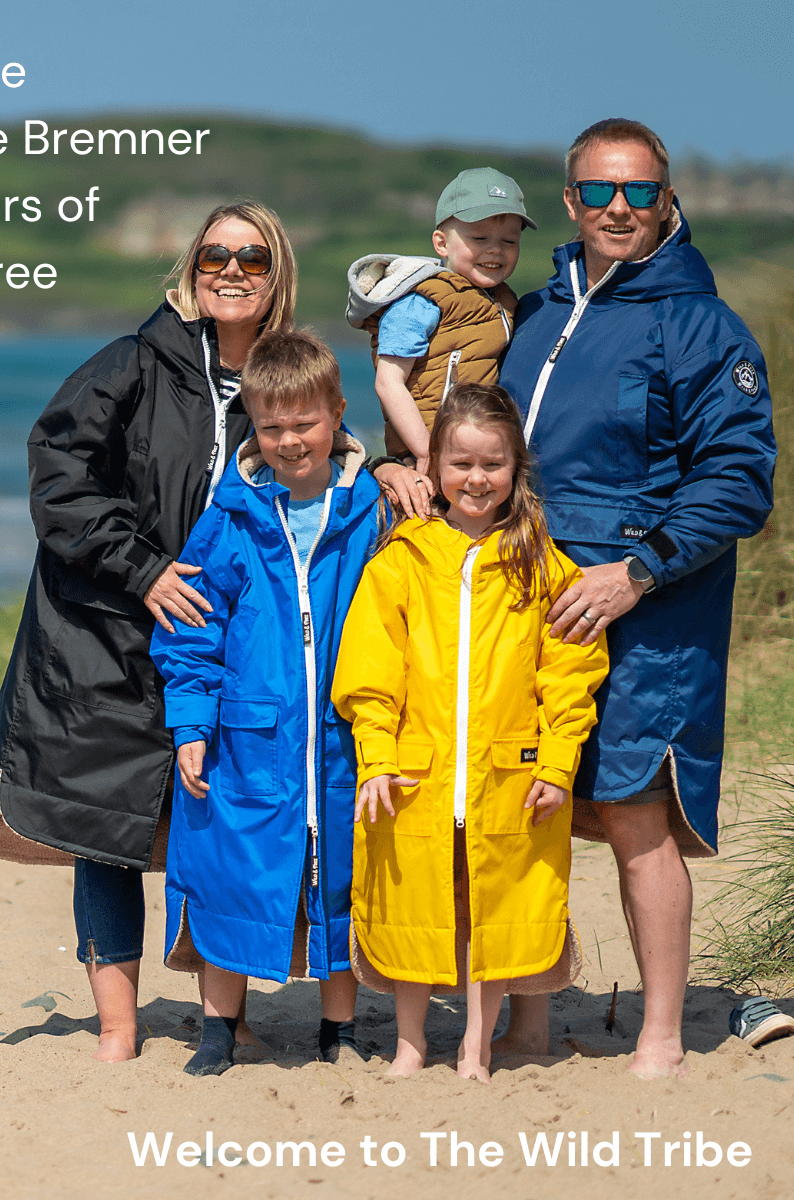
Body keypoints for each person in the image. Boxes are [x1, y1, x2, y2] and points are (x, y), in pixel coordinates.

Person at [0, 202, 299, 1062]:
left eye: (251, 257)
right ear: (189, 269)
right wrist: (144, 572)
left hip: (227, 640)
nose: (231, 269)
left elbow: (322, 470)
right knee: (101, 828)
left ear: (276, 275)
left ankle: (228, 1014)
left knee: (222, 822)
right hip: (102, 629)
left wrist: (392, 471)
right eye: (215, 253)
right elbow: (59, 478)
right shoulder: (130, 366)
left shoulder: (288, 381)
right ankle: (117, 1027)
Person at [495, 118, 776, 1077]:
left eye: (640, 192)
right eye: (601, 192)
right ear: (571, 201)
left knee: (632, 810)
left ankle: (661, 1032)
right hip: (529, 601)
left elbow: (739, 480)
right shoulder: (534, 311)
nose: (621, 208)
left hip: (650, 608)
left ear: (667, 200)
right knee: (533, 804)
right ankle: (530, 1022)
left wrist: (637, 573)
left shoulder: (703, 324)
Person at [332, 383, 609, 1081]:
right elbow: (370, 675)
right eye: (460, 464)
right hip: (414, 775)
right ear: (435, 469)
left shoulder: (543, 565)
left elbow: (570, 674)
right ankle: (411, 1043)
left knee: (495, 903)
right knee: (415, 904)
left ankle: (476, 1047)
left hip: (508, 775)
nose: (477, 479)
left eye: (493, 464)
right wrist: (377, 759)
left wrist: (555, 763)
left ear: (516, 468)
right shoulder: (402, 560)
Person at [151, 328, 381, 1076]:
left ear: (337, 414)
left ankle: (338, 1030)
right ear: (252, 425)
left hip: (346, 736)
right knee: (231, 872)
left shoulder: (372, 510)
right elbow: (193, 629)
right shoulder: (232, 517)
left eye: (304, 424)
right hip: (247, 738)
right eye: (271, 427)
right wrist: (190, 723)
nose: (288, 441)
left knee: (340, 873)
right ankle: (219, 1027)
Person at [345, 167, 534, 477]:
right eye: (479, 237)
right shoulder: (422, 301)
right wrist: (426, 450)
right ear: (441, 243)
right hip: (428, 458)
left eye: (509, 241)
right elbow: (389, 382)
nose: (495, 250)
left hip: (478, 460)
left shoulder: (505, 302)